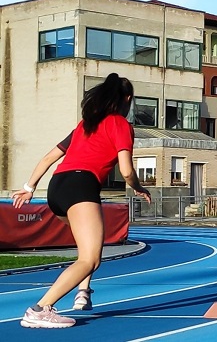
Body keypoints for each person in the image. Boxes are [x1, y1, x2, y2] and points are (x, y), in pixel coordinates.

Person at [10, 73, 152, 328]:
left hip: (57, 188)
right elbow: (127, 170)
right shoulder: (120, 124)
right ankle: (40, 309)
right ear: (127, 99)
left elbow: (47, 158)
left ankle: (83, 292)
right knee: (90, 258)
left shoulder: (84, 125)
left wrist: (28, 187)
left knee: (86, 246)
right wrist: (139, 188)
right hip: (81, 186)